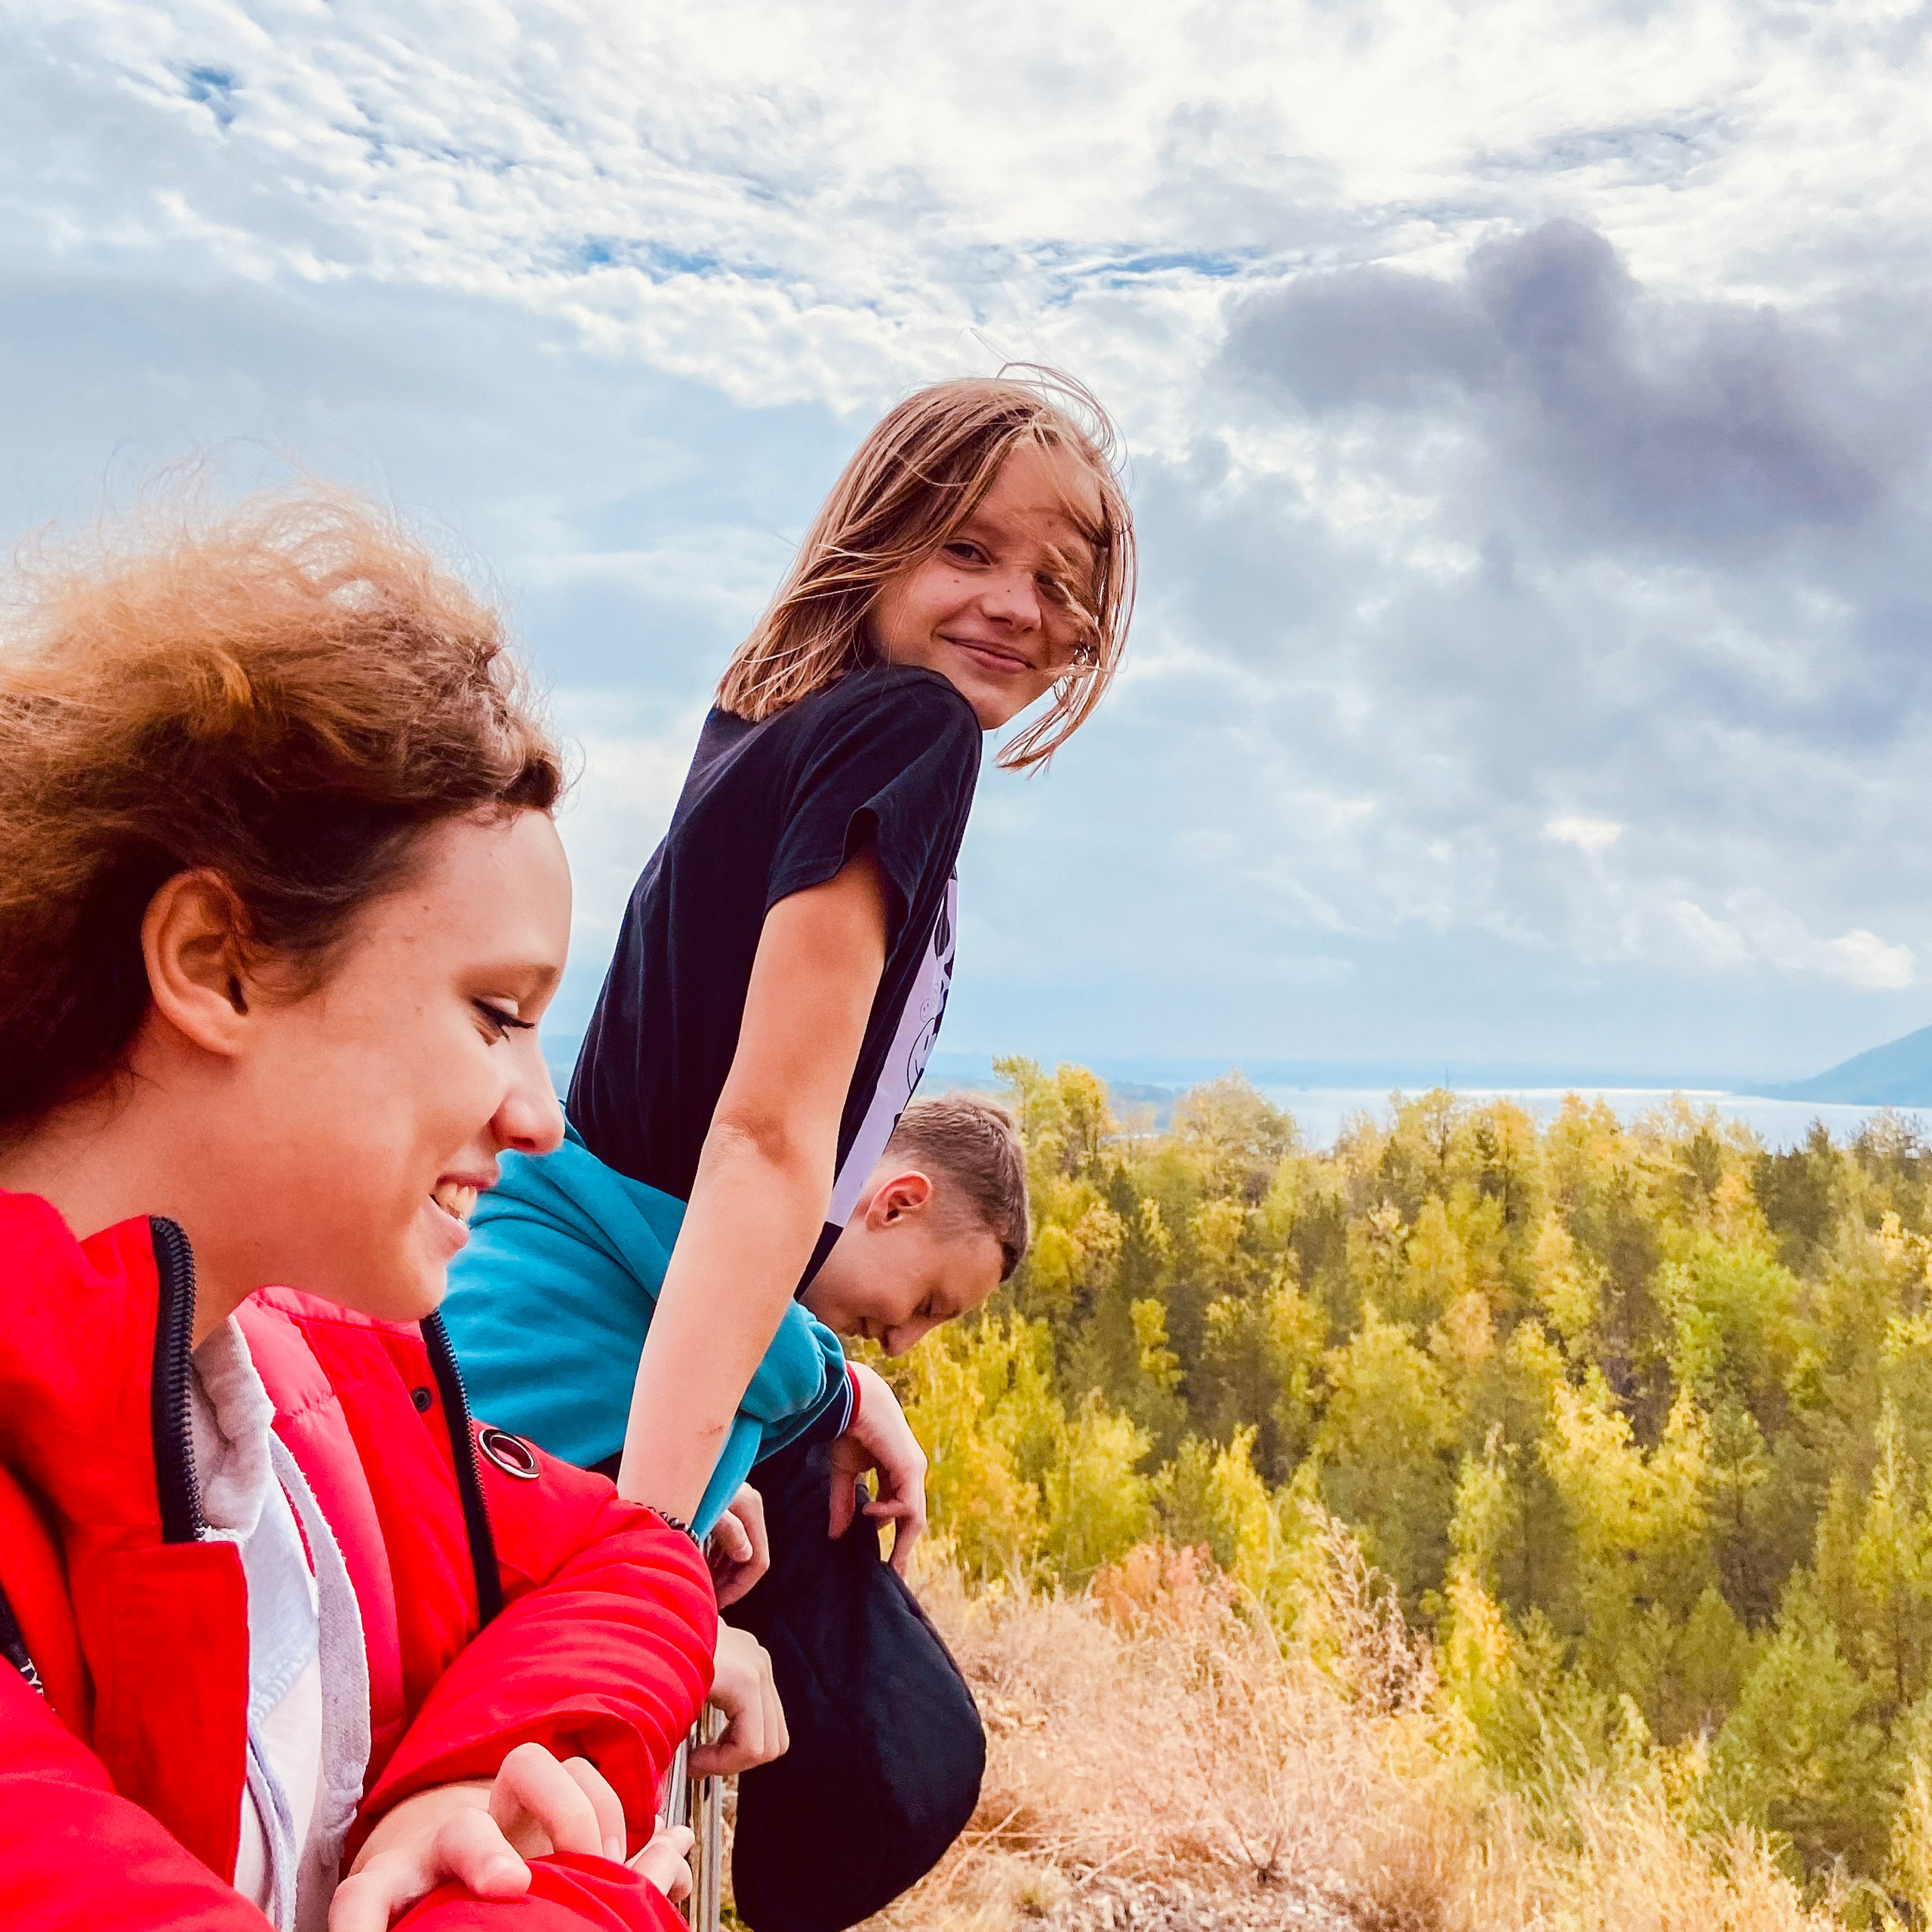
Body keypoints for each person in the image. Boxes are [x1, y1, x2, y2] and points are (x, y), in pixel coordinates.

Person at [0, 492, 713, 1932]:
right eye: (494, 1014)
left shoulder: (316, 1385)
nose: (540, 1115)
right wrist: (574, 1892)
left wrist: (467, 1784)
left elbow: (631, 1555)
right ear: (217, 963)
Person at [445, 369, 1134, 1577]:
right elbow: (764, 1140)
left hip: (524, 1350)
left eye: (1058, 586)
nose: (1017, 607)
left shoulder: (773, 723)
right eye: (969, 549)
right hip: (568, 1392)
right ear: (878, 541)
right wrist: (647, 1538)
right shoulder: (906, 728)